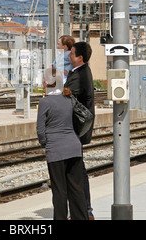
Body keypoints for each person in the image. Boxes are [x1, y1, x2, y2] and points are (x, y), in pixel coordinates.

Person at [36, 68, 89, 220]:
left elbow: (40, 130)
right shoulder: (70, 98)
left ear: (46, 82)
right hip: (74, 148)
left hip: (56, 150)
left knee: (59, 191)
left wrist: (46, 143)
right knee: (77, 189)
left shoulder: (45, 102)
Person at [64, 41, 95, 220]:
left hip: (75, 130)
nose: (69, 55)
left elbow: (66, 96)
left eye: (72, 53)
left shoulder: (81, 75)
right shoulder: (79, 72)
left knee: (76, 171)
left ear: (80, 57)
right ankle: (84, 210)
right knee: (76, 170)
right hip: (76, 130)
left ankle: (85, 211)